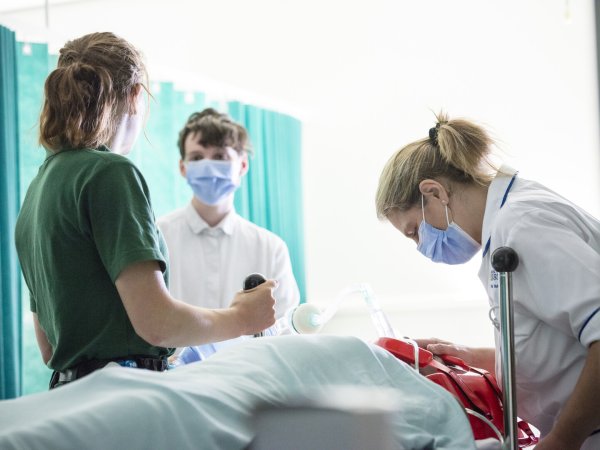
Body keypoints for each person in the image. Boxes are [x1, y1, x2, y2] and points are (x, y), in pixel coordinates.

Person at [13, 32, 276, 389]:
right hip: (124, 393)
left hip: (70, 393)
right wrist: (242, 318)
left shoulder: (38, 188)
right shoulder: (110, 172)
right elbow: (157, 323)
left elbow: (49, 347)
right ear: (136, 95)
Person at [375, 111, 600, 450]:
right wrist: (470, 355)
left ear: (434, 193)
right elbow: (558, 342)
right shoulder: (507, 224)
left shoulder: (523, 226)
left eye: (414, 232)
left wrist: (562, 441)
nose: (420, 247)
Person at [157, 108, 300, 357]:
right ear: (182, 167)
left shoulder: (270, 247)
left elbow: (287, 332)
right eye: (197, 157)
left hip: (250, 381)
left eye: (220, 157)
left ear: (242, 164)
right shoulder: (157, 237)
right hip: (172, 382)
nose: (208, 167)